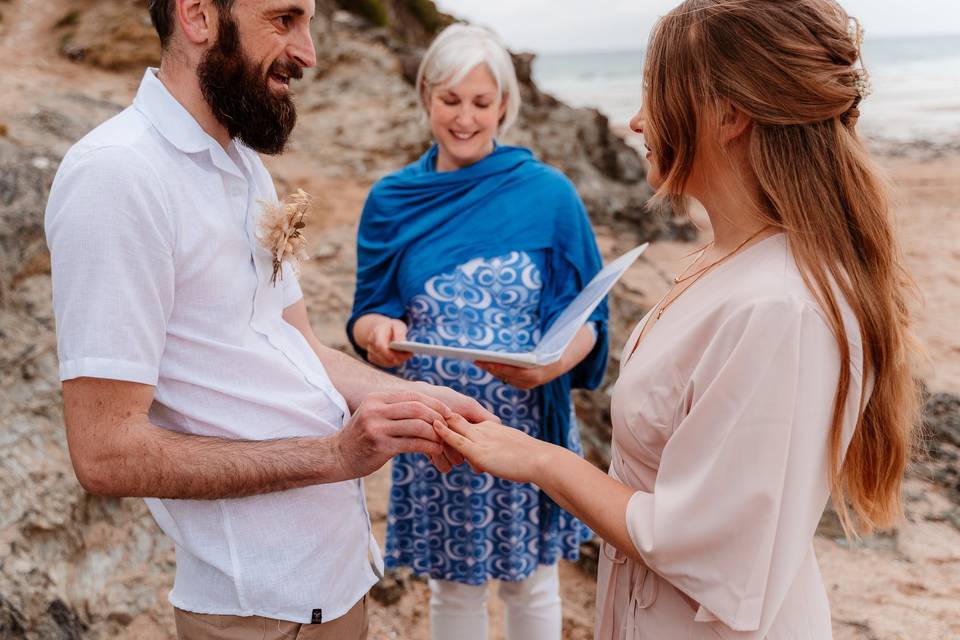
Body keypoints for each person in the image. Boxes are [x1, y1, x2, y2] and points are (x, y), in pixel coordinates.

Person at [432, 1, 922, 638]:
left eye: (654, 94)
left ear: (730, 115)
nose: (636, 121)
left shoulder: (779, 306)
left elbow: (707, 546)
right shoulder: (724, 259)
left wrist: (541, 461)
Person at [44, 1, 494, 638]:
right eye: (284, 20)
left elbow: (298, 343)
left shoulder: (244, 165)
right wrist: (336, 455)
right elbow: (106, 454)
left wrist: (427, 403)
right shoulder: (118, 176)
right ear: (199, 15)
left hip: (338, 582)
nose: (309, 52)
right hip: (256, 612)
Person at [347, 24, 609, 640]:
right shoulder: (391, 200)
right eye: (450, 100)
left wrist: (551, 365)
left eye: (481, 103)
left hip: (524, 420)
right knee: (453, 586)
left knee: (531, 582)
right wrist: (377, 330)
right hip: (438, 424)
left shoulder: (548, 194)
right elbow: (366, 312)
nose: (464, 118)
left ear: (505, 107)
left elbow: (590, 318)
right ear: (426, 98)